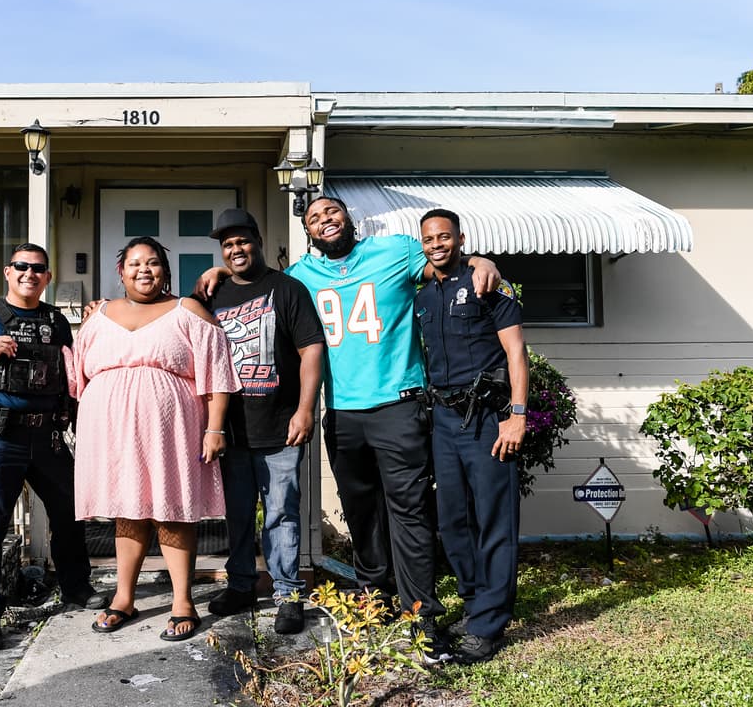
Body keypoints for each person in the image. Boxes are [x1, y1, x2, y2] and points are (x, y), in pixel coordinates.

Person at [199, 196, 500, 659]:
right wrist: (219, 274)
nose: (325, 221)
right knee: (361, 513)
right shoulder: (301, 276)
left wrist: (479, 259)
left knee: (410, 512)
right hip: (341, 412)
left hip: (398, 404)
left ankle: (421, 612)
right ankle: (374, 601)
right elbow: (258, 282)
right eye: (314, 218)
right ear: (309, 231)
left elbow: (445, 261)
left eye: (331, 213)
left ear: (348, 218)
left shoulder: (395, 251)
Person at [0, 242, 106, 653]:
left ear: (47, 277)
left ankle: (76, 588)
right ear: (8, 272)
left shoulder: (55, 321)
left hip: (47, 437)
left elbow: (72, 372)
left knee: (70, 516)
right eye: (22, 267)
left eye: (38, 269)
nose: (30, 274)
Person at [70, 236, 241, 642]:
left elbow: (217, 374)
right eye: (134, 263)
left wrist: (215, 428)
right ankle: (124, 597)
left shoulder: (188, 310)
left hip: (171, 426)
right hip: (111, 430)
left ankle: (183, 601)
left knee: (172, 508)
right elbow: (79, 374)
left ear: (165, 270)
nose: (143, 270)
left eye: (152, 263)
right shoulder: (99, 315)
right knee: (125, 510)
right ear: (121, 271)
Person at [200, 208, 325, 635]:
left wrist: (306, 409)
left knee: (281, 514)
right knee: (236, 515)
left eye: (242, 241)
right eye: (227, 245)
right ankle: (240, 585)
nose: (236, 250)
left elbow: (311, 349)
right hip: (231, 430)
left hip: (280, 426)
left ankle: (288, 593)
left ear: (258, 241)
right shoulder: (211, 295)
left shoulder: (288, 289)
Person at [416, 209, 528, 664]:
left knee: (494, 521)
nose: (437, 244)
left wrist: (518, 415)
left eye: (445, 236)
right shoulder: (422, 294)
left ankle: (489, 622)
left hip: (487, 417)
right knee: (453, 521)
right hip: (443, 419)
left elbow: (516, 351)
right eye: (429, 238)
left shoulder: (488, 284)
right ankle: (474, 602)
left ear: (460, 238)